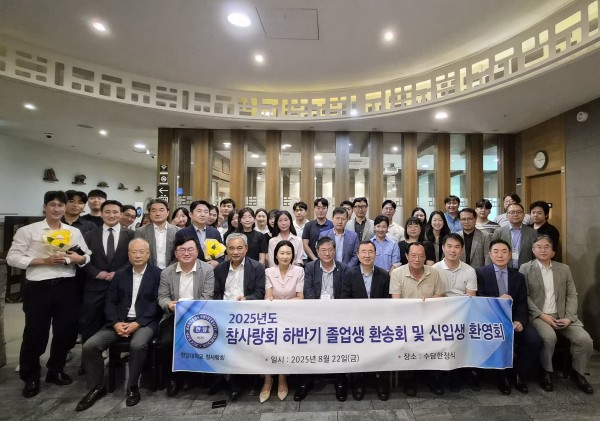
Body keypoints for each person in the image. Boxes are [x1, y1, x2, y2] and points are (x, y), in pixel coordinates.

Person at [7, 191, 90, 398]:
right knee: (35, 332)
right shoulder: (29, 230)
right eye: (52, 205)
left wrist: (76, 259)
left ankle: (56, 370)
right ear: (45, 207)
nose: (57, 209)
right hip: (39, 287)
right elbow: (12, 258)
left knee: (65, 331)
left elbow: (86, 256)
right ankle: (31, 376)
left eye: (60, 205)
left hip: (67, 286)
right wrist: (42, 261)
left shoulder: (72, 232)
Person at [75, 238, 162, 411]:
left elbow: (156, 303)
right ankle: (96, 386)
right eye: (134, 252)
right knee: (90, 345)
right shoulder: (120, 275)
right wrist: (115, 323)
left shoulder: (158, 274)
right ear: (128, 255)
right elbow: (110, 302)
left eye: (142, 252)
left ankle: (132, 387)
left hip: (144, 323)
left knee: (138, 345)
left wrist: (138, 323)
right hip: (118, 322)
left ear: (148, 254)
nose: (138, 255)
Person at [520, 235, 593, 394]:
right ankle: (545, 372)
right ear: (533, 250)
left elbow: (572, 295)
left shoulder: (564, 269)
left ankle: (579, 374)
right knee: (549, 337)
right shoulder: (525, 268)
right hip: (539, 315)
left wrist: (569, 317)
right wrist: (542, 316)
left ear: (553, 251)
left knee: (584, 339)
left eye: (547, 247)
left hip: (563, 315)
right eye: (539, 247)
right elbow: (525, 297)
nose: (543, 250)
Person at [476, 239, 543, 395]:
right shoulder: (481, 273)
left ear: (510, 254)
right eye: (496, 251)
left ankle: (518, 374)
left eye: (504, 251)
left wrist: (520, 321)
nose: (500, 255)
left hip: (513, 319)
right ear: (489, 254)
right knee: (500, 341)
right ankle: (502, 377)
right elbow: (479, 299)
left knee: (535, 341)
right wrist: (497, 301)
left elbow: (522, 302)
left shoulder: (518, 276)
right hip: (491, 320)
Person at [157, 236, 214, 397]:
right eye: (182, 250)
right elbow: (162, 297)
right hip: (173, 316)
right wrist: (168, 305)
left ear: (197, 252)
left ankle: (198, 377)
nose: (186, 253)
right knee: (166, 342)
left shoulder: (207, 270)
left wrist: (189, 309)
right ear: (176, 253)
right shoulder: (166, 272)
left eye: (190, 249)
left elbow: (207, 296)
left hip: (200, 316)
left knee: (204, 338)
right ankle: (172, 379)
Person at [213, 233, 266, 400]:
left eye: (239, 248)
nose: (235, 252)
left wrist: (246, 299)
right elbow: (216, 294)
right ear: (226, 250)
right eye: (231, 248)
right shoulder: (220, 269)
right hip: (224, 313)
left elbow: (259, 293)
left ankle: (239, 378)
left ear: (246, 249)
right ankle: (226, 377)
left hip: (247, 313)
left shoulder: (257, 267)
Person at [390, 242, 444, 396]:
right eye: (413, 255)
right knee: (408, 344)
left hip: (431, 320)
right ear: (406, 256)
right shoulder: (397, 274)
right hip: (406, 321)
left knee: (436, 341)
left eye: (421, 256)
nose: (417, 259)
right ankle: (409, 381)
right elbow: (396, 302)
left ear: (425, 257)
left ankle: (433, 379)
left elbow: (440, 296)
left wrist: (429, 300)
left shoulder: (433, 272)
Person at [297, 237, 347, 401]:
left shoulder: (343, 268)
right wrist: (318, 313)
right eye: (323, 250)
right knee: (308, 345)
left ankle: (340, 381)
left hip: (337, 316)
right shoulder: (310, 268)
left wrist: (334, 313)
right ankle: (306, 381)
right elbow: (309, 292)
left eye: (330, 250)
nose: (327, 253)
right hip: (314, 315)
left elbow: (345, 295)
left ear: (334, 250)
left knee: (339, 346)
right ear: (317, 252)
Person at [340, 241, 391, 401]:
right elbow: (344, 299)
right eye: (363, 252)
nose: (367, 255)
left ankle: (380, 381)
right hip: (356, 323)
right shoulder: (349, 274)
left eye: (370, 252)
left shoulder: (384, 275)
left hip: (378, 323)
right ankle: (358, 381)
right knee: (357, 352)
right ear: (358, 254)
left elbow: (387, 301)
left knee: (380, 352)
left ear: (375, 254)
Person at [80, 200, 134, 347]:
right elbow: (82, 259)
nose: (111, 215)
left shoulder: (131, 235)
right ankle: (89, 358)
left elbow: (133, 259)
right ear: (101, 214)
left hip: (121, 287)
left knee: (119, 324)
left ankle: (114, 359)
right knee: (90, 323)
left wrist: (118, 273)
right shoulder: (89, 235)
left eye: (115, 212)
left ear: (121, 214)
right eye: (107, 212)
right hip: (94, 287)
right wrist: (97, 273)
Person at [432, 234, 479, 392]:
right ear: (443, 248)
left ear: (462, 250)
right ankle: (438, 375)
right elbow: (434, 298)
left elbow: (471, 299)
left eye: (457, 247)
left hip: (462, 314)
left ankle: (458, 373)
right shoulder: (434, 269)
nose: (453, 250)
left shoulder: (469, 270)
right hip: (440, 315)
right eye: (449, 246)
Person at [261, 240, 304, 402]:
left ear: (293, 255)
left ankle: (281, 377)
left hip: (293, 316)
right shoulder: (268, 272)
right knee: (267, 340)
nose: (285, 256)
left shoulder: (299, 271)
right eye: (282, 253)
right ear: (276, 255)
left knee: (284, 342)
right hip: (272, 316)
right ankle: (267, 379)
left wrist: (280, 303)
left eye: (288, 253)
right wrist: (276, 303)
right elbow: (268, 297)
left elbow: (300, 297)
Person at [176, 200, 224, 268]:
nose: (203, 215)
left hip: (211, 270)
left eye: (206, 212)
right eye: (199, 211)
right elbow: (178, 255)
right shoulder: (182, 233)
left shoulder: (214, 232)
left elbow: (221, 254)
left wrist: (217, 262)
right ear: (191, 214)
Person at [134, 199, 179, 269]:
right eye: (154, 210)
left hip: (172, 270)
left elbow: (180, 253)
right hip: (148, 270)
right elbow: (138, 253)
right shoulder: (141, 231)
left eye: (161, 210)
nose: (158, 213)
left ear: (167, 213)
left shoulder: (178, 231)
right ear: (149, 213)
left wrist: (169, 269)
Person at [491, 203, 537, 269]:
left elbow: (535, 254)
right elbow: (493, 252)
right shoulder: (499, 232)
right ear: (506, 215)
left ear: (524, 215)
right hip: (504, 269)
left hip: (526, 270)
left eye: (519, 212)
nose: (515, 214)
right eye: (512, 212)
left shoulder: (532, 232)